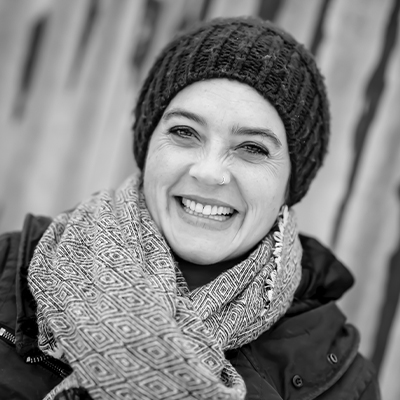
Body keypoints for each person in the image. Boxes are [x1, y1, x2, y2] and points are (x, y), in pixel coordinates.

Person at [0, 16, 380, 400]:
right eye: (184, 132)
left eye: (253, 148)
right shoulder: (5, 267)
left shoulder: (344, 384)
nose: (210, 172)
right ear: (147, 146)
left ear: (290, 185)